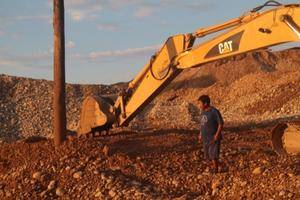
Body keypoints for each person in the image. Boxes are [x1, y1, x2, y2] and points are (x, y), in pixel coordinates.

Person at [198, 95, 224, 174]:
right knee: (207, 155)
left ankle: (215, 170)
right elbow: (202, 124)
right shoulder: (203, 112)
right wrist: (200, 134)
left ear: (205, 103)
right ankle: (214, 167)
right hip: (205, 138)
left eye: (199, 103)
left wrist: (216, 135)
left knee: (213, 155)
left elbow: (221, 123)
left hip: (213, 138)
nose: (198, 105)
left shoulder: (214, 111)